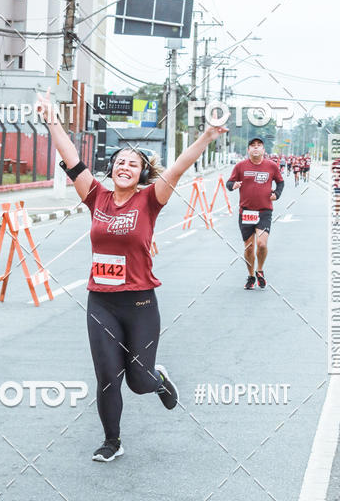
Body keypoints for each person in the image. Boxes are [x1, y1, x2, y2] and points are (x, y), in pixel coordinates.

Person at [36, 89, 227, 463]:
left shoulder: (150, 200)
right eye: (120, 162)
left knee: (138, 381)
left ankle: (158, 379)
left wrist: (206, 136)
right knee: (108, 376)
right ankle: (112, 441)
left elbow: (178, 168)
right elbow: (71, 159)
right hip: (101, 302)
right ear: (112, 169)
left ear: (141, 173)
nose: (125, 166)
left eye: (133, 164)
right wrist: (51, 119)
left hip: (139, 303)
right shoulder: (96, 197)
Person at [226, 137, 284, 289]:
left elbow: (280, 182)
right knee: (249, 248)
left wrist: (277, 194)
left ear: (264, 150)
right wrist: (234, 185)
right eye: (253, 146)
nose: (256, 148)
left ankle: (260, 270)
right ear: (248, 150)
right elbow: (229, 183)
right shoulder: (240, 166)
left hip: (264, 211)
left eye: (259, 146)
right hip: (246, 212)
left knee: (262, 244)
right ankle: (251, 276)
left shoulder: (271, 166)